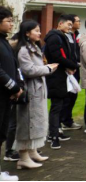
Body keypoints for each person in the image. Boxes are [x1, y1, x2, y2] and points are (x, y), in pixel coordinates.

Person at [12, 21, 58, 170]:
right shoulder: (24, 50)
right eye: (36, 31)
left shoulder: (34, 47)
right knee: (28, 124)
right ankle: (23, 157)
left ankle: (33, 151)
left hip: (37, 90)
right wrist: (48, 69)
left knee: (37, 123)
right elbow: (28, 70)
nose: (39, 33)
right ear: (27, 33)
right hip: (30, 92)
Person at [44, 14, 79, 150]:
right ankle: (53, 136)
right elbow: (58, 56)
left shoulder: (62, 36)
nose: (70, 27)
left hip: (61, 74)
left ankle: (56, 131)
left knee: (61, 103)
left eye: (71, 25)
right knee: (56, 106)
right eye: (68, 24)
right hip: (55, 76)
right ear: (60, 24)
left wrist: (70, 66)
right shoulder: (54, 37)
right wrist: (73, 66)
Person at [0, 7, 23, 182]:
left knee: (2, 133)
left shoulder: (4, 41)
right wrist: (13, 87)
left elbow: (13, 66)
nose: (11, 24)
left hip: (6, 95)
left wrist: (17, 86)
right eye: (8, 20)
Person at [61, 15, 82, 132]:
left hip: (75, 69)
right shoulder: (64, 36)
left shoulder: (77, 35)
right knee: (66, 97)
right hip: (67, 70)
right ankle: (63, 121)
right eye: (77, 21)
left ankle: (68, 120)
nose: (79, 23)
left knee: (73, 95)